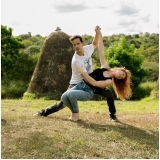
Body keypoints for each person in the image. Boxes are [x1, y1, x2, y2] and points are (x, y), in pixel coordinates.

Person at [34, 26, 118, 121]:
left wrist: (97, 33)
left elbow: (94, 44)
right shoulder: (76, 61)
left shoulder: (87, 49)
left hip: (91, 80)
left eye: (78, 43)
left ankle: (112, 115)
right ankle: (43, 112)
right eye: (74, 45)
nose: (76, 46)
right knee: (62, 103)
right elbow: (85, 78)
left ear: (82, 44)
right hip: (78, 83)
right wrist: (96, 84)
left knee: (108, 94)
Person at [61, 29, 132, 121]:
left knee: (108, 94)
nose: (120, 76)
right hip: (82, 84)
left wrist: (83, 73)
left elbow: (94, 83)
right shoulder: (105, 67)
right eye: (122, 74)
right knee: (63, 98)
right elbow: (101, 51)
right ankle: (45, 112)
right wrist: (99, 34)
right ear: (119, 69)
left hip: (91, 87)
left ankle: (112, 115)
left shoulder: (109, 80)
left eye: (121, 78)